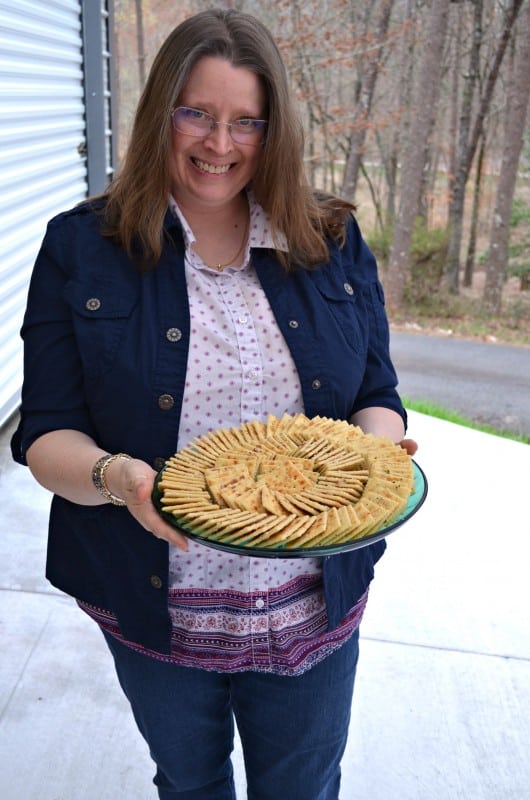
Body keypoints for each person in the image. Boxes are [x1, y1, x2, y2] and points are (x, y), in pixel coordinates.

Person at [11, 8, 417, 800]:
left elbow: (377, 396)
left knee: (303, 789)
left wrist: (374, 457)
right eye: (195, 113)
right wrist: (120, 476)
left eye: (246, 122)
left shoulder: (331, 239)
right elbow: (46, 434)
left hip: (314, 606)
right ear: (160, 110)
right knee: (189, 785)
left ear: (276, 130)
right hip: (156, 609)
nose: (218, 144)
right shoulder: (79, 248)